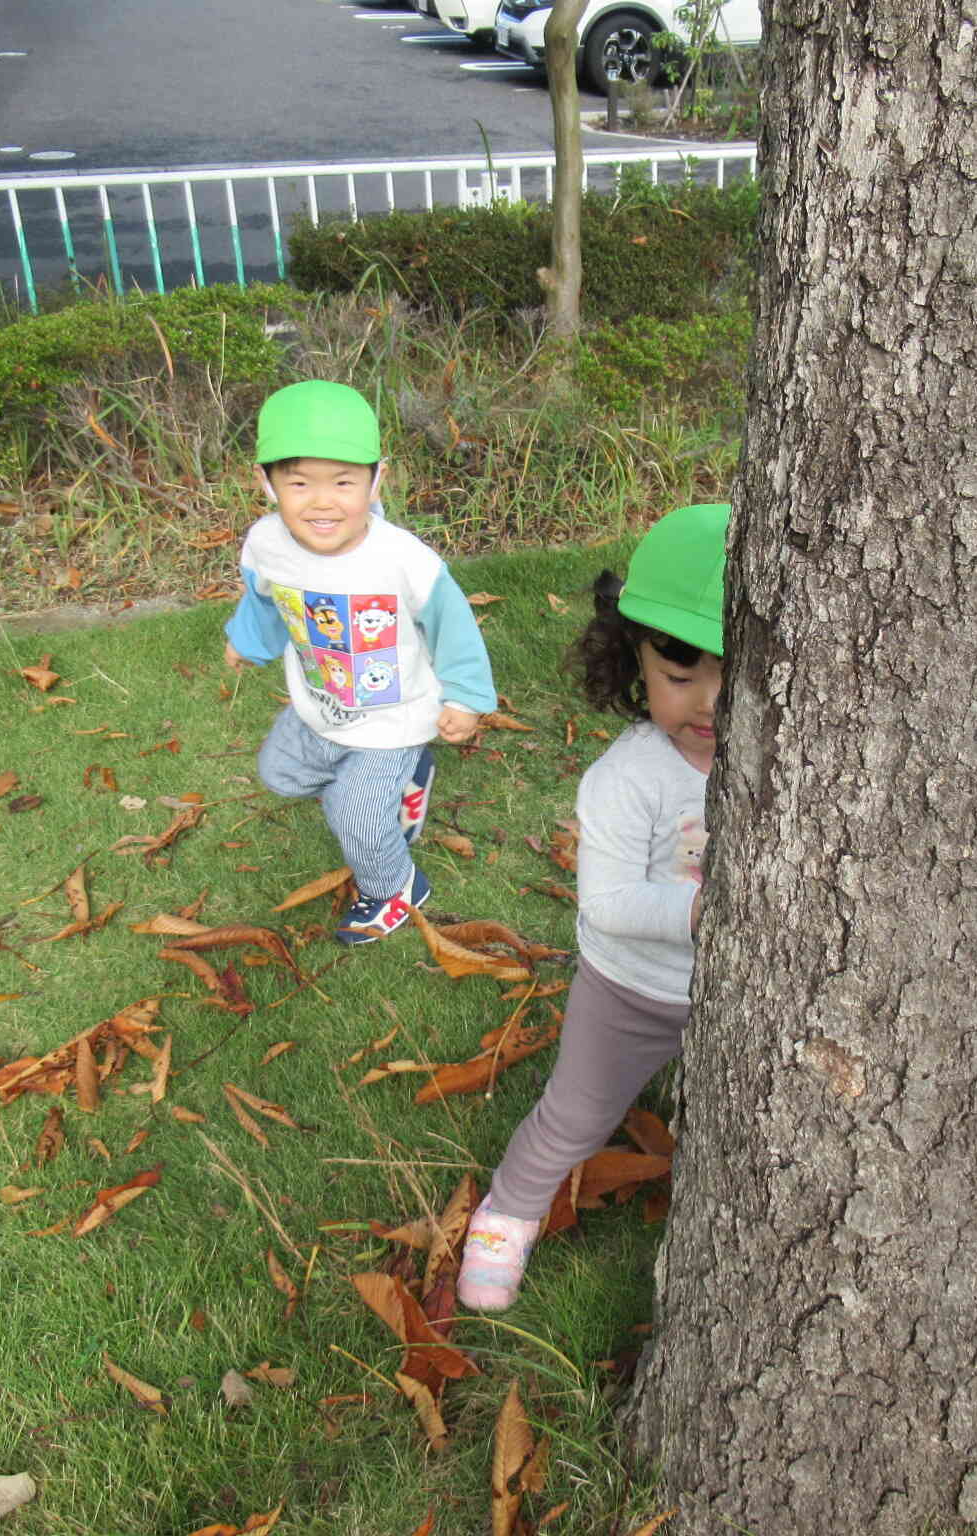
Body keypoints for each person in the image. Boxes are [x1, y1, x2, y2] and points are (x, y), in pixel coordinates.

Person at [457, 502, 727, 1310]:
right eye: (679, 677)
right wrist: (704, 917)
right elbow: (607, 902)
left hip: (739, 993)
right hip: (632, 992)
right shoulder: (630, 777)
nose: (709, 704)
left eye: (733, 676)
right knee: (577, 1114)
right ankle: (507, 1214)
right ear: (631, 662)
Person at [223, 380, 494, 943]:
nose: (323, 502)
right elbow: (264, 596)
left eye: (343, 482)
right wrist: (248, 641)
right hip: (320, 704)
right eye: (300, 483)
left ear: (377, 481)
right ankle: (408, 779)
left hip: (393, 719)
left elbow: (454, 626)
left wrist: (465, 696)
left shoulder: (403, 560)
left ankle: (396, 886)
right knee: (280, 774)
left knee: (356, 815)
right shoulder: (268, 544)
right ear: (266, 484)